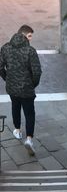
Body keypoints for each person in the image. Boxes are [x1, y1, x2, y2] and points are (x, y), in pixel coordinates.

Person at [0, 25, 42, 155]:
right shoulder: (30, 50)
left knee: (15, 106)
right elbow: (37, 72)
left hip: (12, 87)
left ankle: (17, 131)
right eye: (29, 36)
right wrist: (32, 84)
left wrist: (8, 79)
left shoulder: (5, 48)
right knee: (30, 113)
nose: (30, 39)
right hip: (27, 89)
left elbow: (0, 68)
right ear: (23, 35)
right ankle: (29, 139)